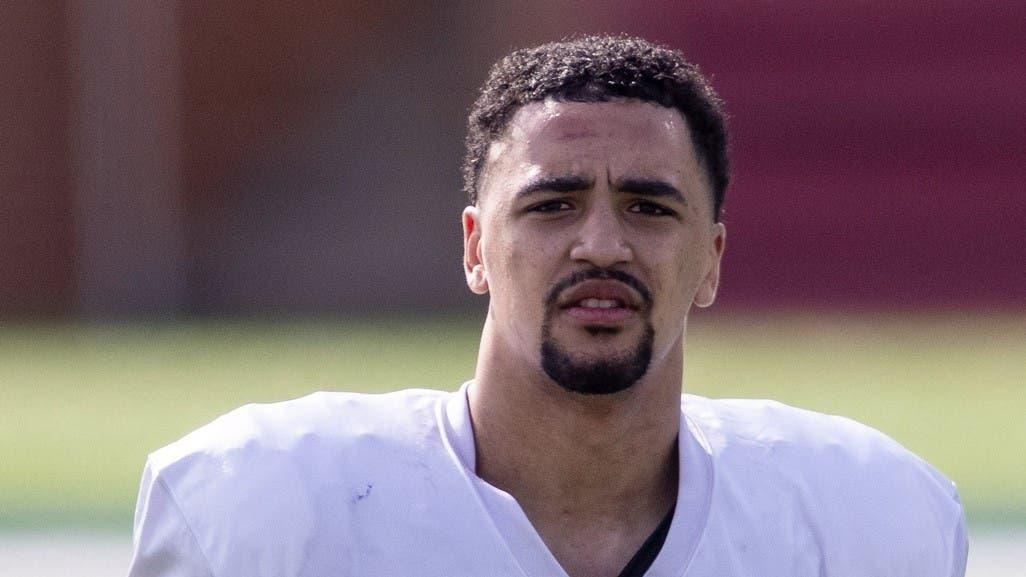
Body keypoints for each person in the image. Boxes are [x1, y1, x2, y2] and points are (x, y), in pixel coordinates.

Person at [128, 35, 967, 577]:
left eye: (649, 206)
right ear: (475, 248)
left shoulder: (863, 524)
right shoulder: (268, 511)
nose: (601, 244)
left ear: (710, 260)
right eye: (552, 203)